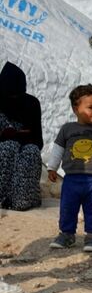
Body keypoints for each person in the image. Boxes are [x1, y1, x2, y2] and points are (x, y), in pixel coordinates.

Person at [47, 84, 92, 252]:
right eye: (90, 107)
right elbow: (58, 149)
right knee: (67, 207)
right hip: (72, 178)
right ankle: (67, 235)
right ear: (75, 109)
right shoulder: (67, 129)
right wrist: (52, 167)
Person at [0, 62, 43, 211]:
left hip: (26, 145)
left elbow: (39, 141)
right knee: (8, 148)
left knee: (31, 152)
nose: (14, 98)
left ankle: (22, 200)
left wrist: (22, 136)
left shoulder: (31, 104)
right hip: (3, 147)